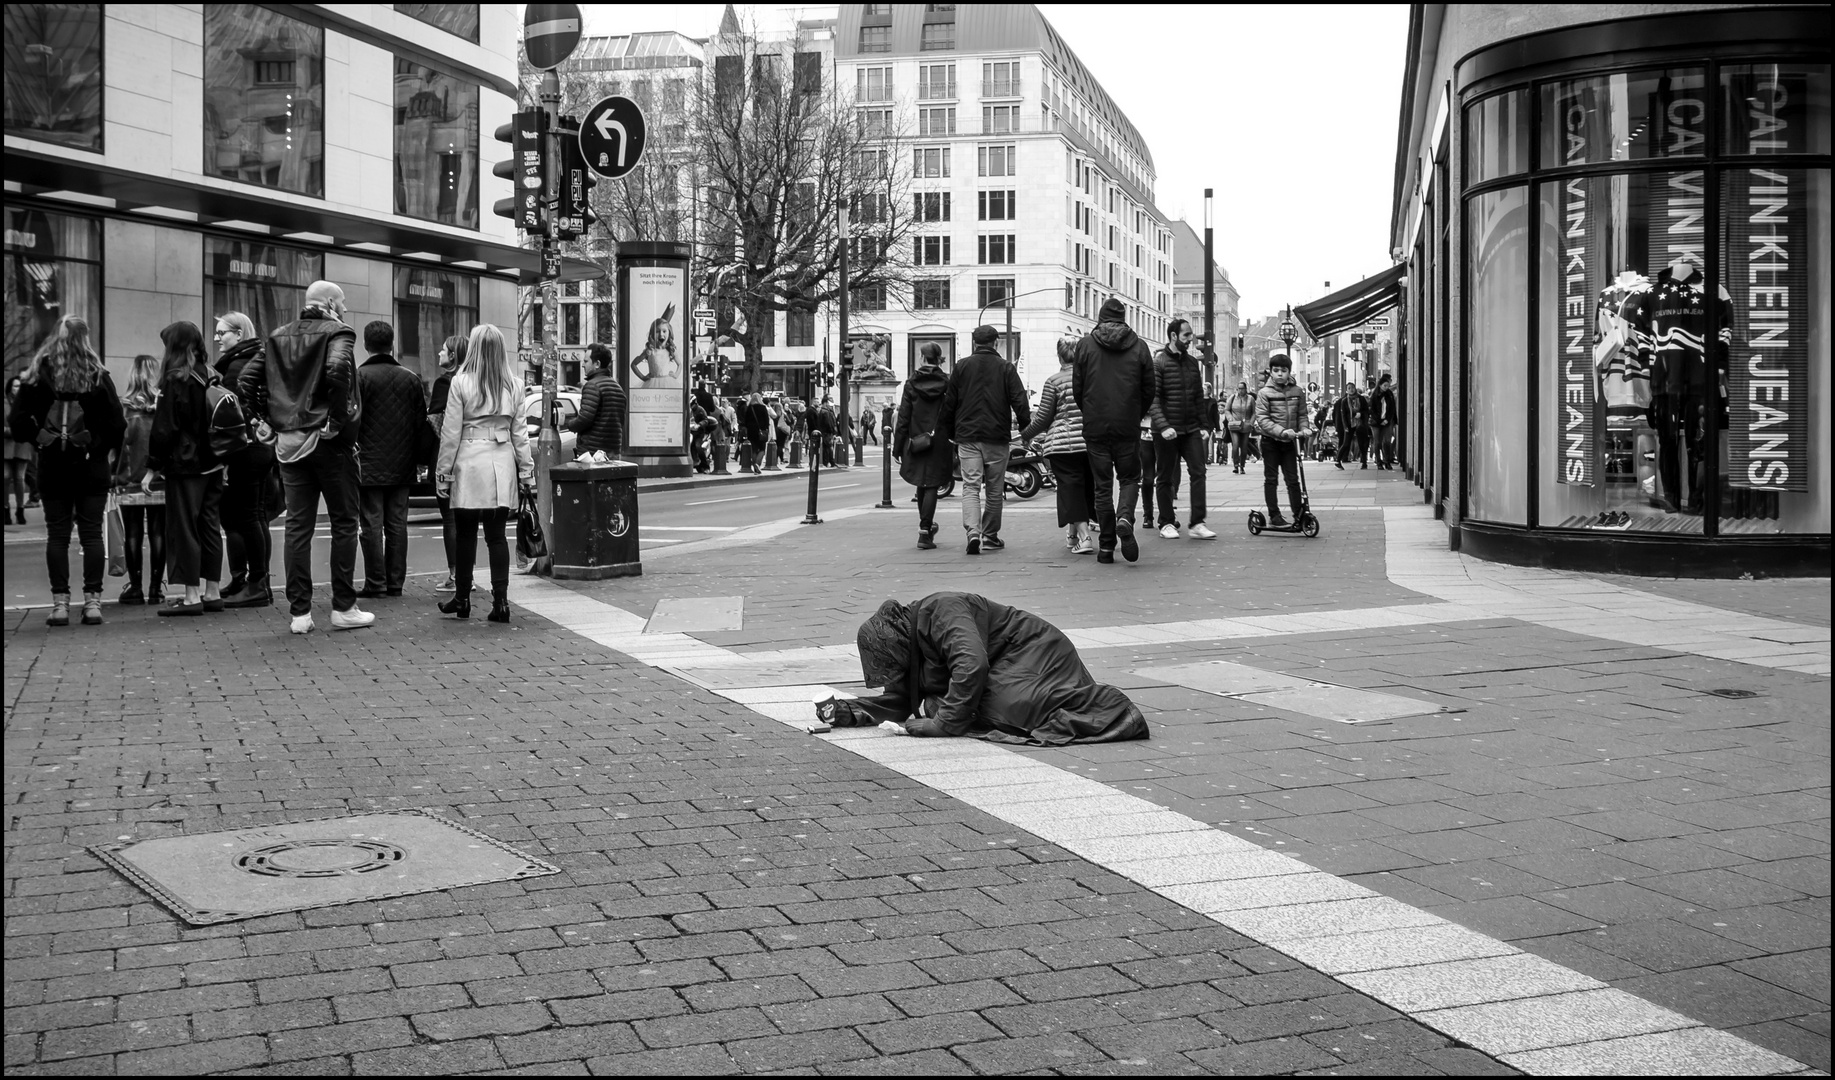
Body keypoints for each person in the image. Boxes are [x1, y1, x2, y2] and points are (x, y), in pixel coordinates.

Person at [825, 595, 1148, 745]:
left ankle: (1112, 709)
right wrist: (847, 712)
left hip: (1033, 652)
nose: (895, 670)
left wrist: (944, 725)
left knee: (1008, 707)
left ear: (895, 641)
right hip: (1002, 665)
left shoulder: (942, 609)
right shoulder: (909, 647)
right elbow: (900, 699)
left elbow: (971, 663)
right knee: (944, 703)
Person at [238, 279, 372, 634]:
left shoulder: (278, 334)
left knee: (298, 526)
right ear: (328, 302)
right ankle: (343, 606)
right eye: (341, 301)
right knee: (344, 521)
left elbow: (246, 383)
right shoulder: (338, 332)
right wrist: (336, 420)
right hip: (329, 441)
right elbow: (337, 370)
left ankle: (300, 614)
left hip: (289, 441)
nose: (344, 307)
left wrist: (263, 420)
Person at [7, 316, 125, 626]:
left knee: (57, 536)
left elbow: (18, 422)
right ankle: (93, 602)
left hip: (52, 467)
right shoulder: (97, 375)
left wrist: (40, 439)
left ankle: (60, 604)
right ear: (86, 338)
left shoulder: (38, 376)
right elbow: (117, 425)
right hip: (91, 467)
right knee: (90, 535)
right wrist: (95, 448)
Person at [436, 324, 533, 624]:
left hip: (468, 461)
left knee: (465, 534)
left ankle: (462, 598)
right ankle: (501, 602)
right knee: (497, 536)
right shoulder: (514, 385)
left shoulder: (460, 383)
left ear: (475, 348)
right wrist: (526, 473)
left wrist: (443, 472)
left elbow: (450, 432)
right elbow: (521, 435)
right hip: (501, 463)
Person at [148, 321, 227, 617]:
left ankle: (191, 596)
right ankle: (213, 591)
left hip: (185, 464)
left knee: (183, 527)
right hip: (215, 462)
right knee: (209, 526)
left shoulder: (176, 378)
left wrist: (152, 467)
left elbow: (164, 429)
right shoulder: (213, 375)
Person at [1072, 297, 1154, 564]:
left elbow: (1078, 388)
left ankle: (1106, 547)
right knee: (1130, 478)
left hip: (1095, 424)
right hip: (1126, 424)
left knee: (1102, 486)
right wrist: (1135, 412)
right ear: (1123, 318)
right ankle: (1125, 517)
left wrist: (1091, 410)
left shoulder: (1085, 345)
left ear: (1100, 316)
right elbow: (1149, 389)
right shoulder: (1139, 347)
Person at [942, 325, 1029, 554]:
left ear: (974, 343)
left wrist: (950, 433)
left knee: (970, 486)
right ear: (996, 342)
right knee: (994, 488)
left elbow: (949, 403)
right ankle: (990, 535)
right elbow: (1020, 401)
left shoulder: (962, 367)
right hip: (996, 436)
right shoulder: (1006, 368)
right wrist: (1025, 429)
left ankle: (973, 532)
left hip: (968, 436)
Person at [354, 321, 425, 599]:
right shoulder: (411, 379)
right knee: (397, 523)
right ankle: (395, 582)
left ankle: (376, 582)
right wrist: (419, 461)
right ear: (392, 344)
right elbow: (420, 424)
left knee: (371, 524)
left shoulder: (359, 378)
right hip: (402, 463)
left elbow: (353, 421)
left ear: (366, 345)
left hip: (368, 464)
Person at [212, 312, 274, 608]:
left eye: (222, 332)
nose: (217, 338)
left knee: (241, 517)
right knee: (256, 514)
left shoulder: (237, 367)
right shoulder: (258, 359)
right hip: (260, 447)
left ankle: (253, 583)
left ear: (239, 334)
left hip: (244, 448)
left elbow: (231, 415)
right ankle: (254, 581)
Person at [1020, 333, 1096, 554]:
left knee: (1069, 489)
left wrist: (1025, 435)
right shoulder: (1090, 379)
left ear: (1059, 356)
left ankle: (1084, 537)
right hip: (1089, 443)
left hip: (1062, 445)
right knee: (1082, 489)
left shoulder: (1054, 381)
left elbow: (1043, 418)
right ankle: (1073, 535)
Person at [1148, 319, 1215, 540]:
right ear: (1174, 336)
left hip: (1191, 429)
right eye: (1186, 335)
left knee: (1199, 472)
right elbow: (1153, 399)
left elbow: (1198, 397)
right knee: (1165, 477)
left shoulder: (1192, 363)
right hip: (1166, 431)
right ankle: (1166, 522)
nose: (1190, 339)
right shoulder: (1159, 363)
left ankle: (1197, 523)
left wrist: (1204, 425)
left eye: (1191, 335)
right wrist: (1164, 426)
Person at [112, 354, 167, 606]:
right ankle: (156, 588)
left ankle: (135, 588)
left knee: (132, 532)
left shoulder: (123, 408)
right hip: (159, 476)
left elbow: (116, 445)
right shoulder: (163, 406)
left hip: (129, 477)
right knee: (158, 531)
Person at [893, 342, 952, 550]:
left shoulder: (912, 383)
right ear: (938, 359)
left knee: (921, 483)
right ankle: (925, 529)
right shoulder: (947, 382)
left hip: (916, 439)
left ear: (922, 358)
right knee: (932, 484)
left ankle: (925, 528)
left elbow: (903, 417)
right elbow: (952, 413)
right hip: (940, 441)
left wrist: (898, 446)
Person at [1254, 354, 1313, 528]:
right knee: (1271, 479)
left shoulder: (1297, 391)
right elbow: (1263, 419)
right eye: (1276, 370)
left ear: (1289, 371)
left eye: (1283, 370)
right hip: (1270, 441)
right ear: (1271, 372)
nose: (1280, 374)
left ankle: (1298, 514)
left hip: (1290, 442)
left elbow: (1302, 414)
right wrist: (1282, 432)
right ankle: (1274, 515)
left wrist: (1304, 428)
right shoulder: (1264, 393)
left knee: (1293, 479)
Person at [428, 333, 465, 592]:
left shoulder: (446, 383)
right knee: (465, 519)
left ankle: (456, 576)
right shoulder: (473, 381)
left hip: (448, 460)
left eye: (443, 350)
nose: (439, 354)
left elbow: (436, 421)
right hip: (470, 458)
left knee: (450, 517)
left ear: (453, 356)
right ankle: (466, 575)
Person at [568, 342, 627, 461]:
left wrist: (570, 424)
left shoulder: (592, 386)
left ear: (597, 364)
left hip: (592, 455)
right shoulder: (618, 388)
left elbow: (585, 419)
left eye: (586, 361)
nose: (583, 365)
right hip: (612, 454)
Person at [3, 374, 32, 523]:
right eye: (15, 386)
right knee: (6, 477)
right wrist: (12, 431)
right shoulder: (5, 403)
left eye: (20, 386)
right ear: (10, 388)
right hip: (7, 446)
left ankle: (20, 510)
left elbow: (31, 424)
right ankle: (6, 509)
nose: (17, 389)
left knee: (20, 478)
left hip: (22, 446)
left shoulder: (27, 402)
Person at [1332, 381, 1370, 469]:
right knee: (1346, 443)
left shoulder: (1361, 399)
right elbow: (1344, 415)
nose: (1351, 390)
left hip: (1360, 423)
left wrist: (1361, 414)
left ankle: (1364, 462)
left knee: (1362, 443)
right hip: (1349, 424)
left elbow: (1366, 410)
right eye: (1349, 388)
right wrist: (1345, 426)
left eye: (1352, 388)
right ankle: (1338, 460)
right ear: (1346, 390)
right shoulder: (1344, 401)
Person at [1224, 380, 1256, 474]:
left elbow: (1254, 412)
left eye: (1242, 388)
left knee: (1244, 446)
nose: (1240, 390)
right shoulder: (1232, 397)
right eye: (1239, 389)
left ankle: (1242, 465)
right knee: (1236, 444)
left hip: (1246, 425)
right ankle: (1236, 465)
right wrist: (1230, 418)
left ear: (1246, 389)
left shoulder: (1250, 399)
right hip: (1234, 425)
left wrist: (1251, 422)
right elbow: (1227, 409)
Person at [1371, 373, 1399, 469]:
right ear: (1380, 385)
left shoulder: (1389, 394)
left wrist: (1388, 419)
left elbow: (1392, 409)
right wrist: (1379, 421)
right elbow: (1372, 411)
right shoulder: (1374, 396)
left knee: (1387, 442)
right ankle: (1379, 462)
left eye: (1388, 386)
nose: (1386, 388)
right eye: (1384, 386)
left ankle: (1387, 461)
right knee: (1377, 442)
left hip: (1387, 421)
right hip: (1376, 423)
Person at [740, 392, 771, 473]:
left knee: (753, 449)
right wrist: (766, 428)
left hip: (751, 431)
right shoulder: (763, 407)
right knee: (762, 449)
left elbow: (745, 421)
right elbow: (766, 421)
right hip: (761, 431)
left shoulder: (749, 408)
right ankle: (757, 463)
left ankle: (754, 465)